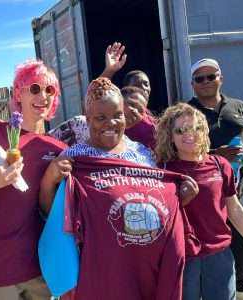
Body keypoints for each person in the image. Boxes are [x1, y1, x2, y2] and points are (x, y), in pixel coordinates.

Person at [39, 77, 187, 300]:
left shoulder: (141, 153)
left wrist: (181, 197)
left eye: (117, 115)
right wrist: (48, 181)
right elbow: (57, 217)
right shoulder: (74, 159)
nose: (111, 123)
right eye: (101, 117)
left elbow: (158, 202)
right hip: (102, 270)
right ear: (87, 119)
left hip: (146, 266)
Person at [0, 59, 68, 300]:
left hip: (41, 265)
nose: (43, 96)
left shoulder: (59, 148)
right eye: (35, 88)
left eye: (49, 90)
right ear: (19, 93)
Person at [154, 102, 243, 300]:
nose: (190, 134)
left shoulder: (220, 165)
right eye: (181, 130)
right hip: (182, 256)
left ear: (204, 130)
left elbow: (234, 209)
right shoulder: (161, 170)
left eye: (196, 128)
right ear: (170, 135)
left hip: (219, 253)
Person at [188, 58, 243, 298]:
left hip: (239, 192)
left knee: (241, 263)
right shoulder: (186, 112)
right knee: (215, 263)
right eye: (199, 79)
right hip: (206, 201)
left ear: (221, 78)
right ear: (192, 84)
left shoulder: (240, 107)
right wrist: (214, 155)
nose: (206, 82)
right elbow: (176, 152)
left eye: (211, 76)